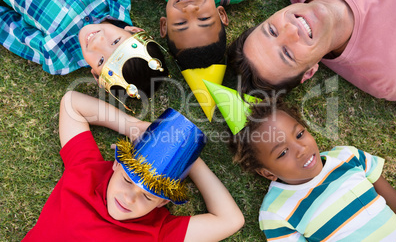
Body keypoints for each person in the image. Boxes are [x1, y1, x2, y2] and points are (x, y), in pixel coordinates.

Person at [22, 90, 244, 241]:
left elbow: (231, 220)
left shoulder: (158, 231)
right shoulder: (86, 171)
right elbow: (72, 103)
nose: (129, 199)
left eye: (148, 196)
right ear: (117, 164)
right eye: (128, 180)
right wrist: (131, 126)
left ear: (163, 202)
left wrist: (191, 159)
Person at [229, 99, 396, 241]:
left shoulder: (348, 156)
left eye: (299, 134)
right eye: (282, 152)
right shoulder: (276, 212)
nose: (301, 149)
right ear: (268, 173)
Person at [228, 0, 396, 101]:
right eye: (287, 54)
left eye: (272, 31)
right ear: (309, 71)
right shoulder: (389, 75)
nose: (290, 31)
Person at [124, 0, 268, 120]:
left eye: (181, 24)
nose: (190, 8)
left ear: (164, 25)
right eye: (204, 19)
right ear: (221, 14)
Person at [0, 0, 168, 97]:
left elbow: (10, 30)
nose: (98, 42)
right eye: (116, 41)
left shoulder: (58, 54)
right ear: (134, 30)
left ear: (96, 75)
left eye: (101, 61)